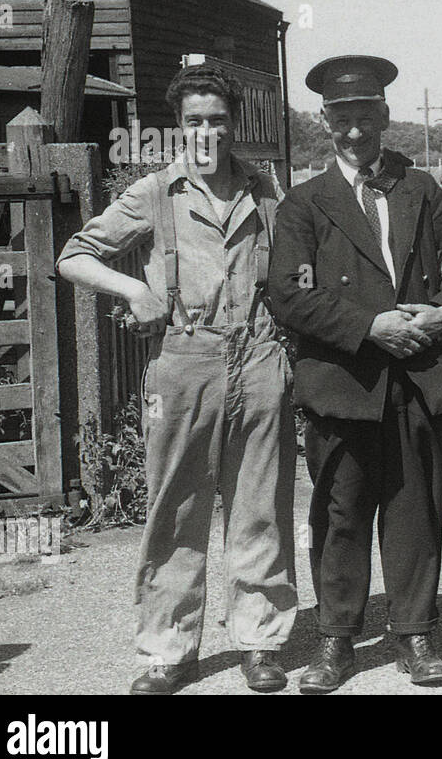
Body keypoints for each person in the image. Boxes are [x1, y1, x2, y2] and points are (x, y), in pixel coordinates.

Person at [57, 64, 295, 694]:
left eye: (218, 120)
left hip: (260, 357)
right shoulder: (155, 193)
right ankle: (168, 648)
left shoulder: (264, 191)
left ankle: (259, 638)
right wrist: (133, 287)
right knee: (175, 509)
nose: (207, 132)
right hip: (182, 361)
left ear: (232, 123)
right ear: (178, 127)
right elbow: (74, 256)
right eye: (195, 121)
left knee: (260, 507)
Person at [267, 55, 442, 691]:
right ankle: (336, 640)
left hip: (417, 377)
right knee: (340, 512)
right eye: (341, 119)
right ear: (326, 122)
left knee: (415, 507)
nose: (354, 131)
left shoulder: (424, 190)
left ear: (385, 116)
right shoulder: (305, 203)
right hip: (343, 382)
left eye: (365, 116)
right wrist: (368, 326)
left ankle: (415, 634)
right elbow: (288, 294)